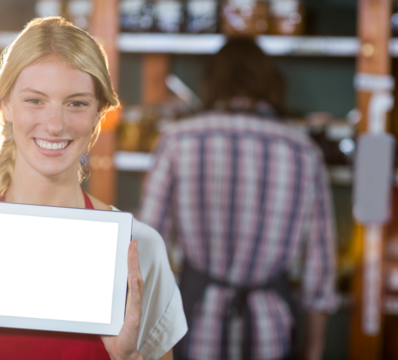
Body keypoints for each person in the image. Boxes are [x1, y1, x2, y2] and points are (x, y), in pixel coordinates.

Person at [0, 17, 187, 360]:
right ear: (5, 105)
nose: (54, 124)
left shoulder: (140, 252)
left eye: (76, 103)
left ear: (99, 114)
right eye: (35, 100)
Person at [139, 37, 338, 360]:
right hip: (271, 329)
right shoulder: (303, 151)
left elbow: (147, 249)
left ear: (211, 81)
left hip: (192, 324)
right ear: (271, 83)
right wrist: (314, 348)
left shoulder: (176, 141)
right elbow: (321, 265)